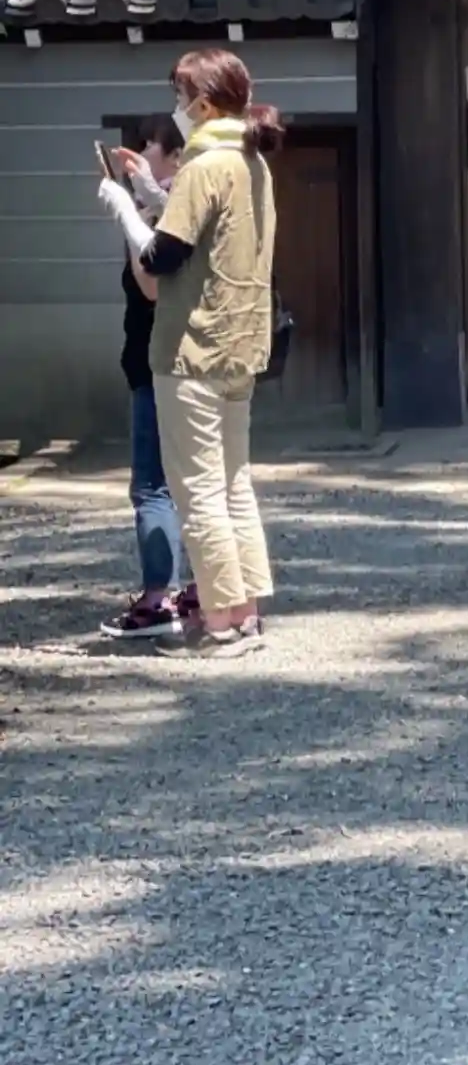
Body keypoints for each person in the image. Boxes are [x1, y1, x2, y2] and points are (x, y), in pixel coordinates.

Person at [98, 49, 282, 657]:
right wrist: (154, 195)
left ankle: (220, 620)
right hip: (240, 347)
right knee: (234, 483)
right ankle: (246, 612)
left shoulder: (204, 166)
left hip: (192, 350)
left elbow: (160, 258)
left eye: (180, 97)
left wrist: (126, 208)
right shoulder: (251, 161)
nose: (176, 108)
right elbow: (202, 237)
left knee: (199, 489)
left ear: (202, 104)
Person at [99, 115, 192, 639]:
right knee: (192, 481)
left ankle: (159, 597)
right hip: (178, 362)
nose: (137, 153)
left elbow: (154, 286)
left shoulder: (171, 208)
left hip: (160, 363)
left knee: (153, 485)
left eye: (148, 145)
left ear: (174, 155)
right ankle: (201, 589)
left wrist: (130, 214)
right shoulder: (180, 203)